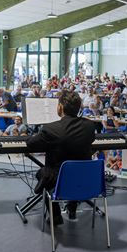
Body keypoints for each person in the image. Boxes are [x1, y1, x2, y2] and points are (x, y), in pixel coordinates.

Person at [26, 90, 95, 223]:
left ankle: (56, 215)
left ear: (60, 107)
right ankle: (72, 207)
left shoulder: (50, 129)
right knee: (75, 168)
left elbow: (31, 144)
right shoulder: (89, 126)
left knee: (43, 174)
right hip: (87, 179)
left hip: (61, 181)